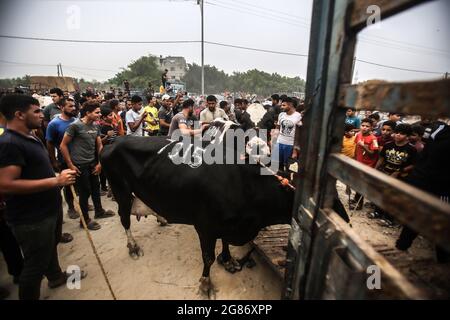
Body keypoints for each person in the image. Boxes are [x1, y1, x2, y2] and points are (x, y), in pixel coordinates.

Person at [0, 94, 85, 300]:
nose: (42, 115)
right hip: (31, 218)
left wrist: (56, 177)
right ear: (19, 114)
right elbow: (5, 184)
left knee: (50, 246)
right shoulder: (9, 143)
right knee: (34, 265)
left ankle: (55, 277)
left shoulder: (30, 135)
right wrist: (56, 182)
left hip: (48, 209)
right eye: (36, 111)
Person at [395, 121, 450, 262]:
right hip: (433, 184)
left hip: (436, 185)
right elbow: (426, 160)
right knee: (435, 221)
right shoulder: (439, 130)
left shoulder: (439, 130)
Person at [60, 101, 115, 231]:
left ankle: (99, 211)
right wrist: (70, 164)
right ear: (87, 113)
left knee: (96, 189)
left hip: (92, 163)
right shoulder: (75, 126)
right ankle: (84, 219)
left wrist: (99, 163)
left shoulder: (95, 126)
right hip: (79, 165)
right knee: (84, 193)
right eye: (97, 112)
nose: (99, 114)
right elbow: (63, 145)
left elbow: (99, 145)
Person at [46, 98, 78, 222]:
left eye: (74, 106)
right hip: (64, 159)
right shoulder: (54, 124)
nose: (73, 108)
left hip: (77, 158)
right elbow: (49, 143)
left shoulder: (76, 121)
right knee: (68, 184)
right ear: (62, 107)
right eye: (70, 106)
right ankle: (70, 207)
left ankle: (79, 204)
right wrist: (54, 161)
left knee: (77, 183)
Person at [351, 118, 379, 210]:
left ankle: (359, 204)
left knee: (361, 183)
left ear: (371, 128)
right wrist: (354, 158)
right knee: (357, 182)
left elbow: (373, 153)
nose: (364, 128)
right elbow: (356, 148)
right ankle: (356, 199)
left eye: (367, 126)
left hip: (368, 165)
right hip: (358, 162)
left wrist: (364, 146)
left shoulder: (373, 139)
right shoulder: (358, 135)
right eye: (363, 125)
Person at [274, 97, 302, 172]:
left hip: (290, 145)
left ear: (290, 105)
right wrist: (273, 140)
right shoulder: (281, 115)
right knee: (278, 165)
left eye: (283, 105)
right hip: (279, 143)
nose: (281, 107)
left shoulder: (298, 116)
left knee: (288, 167)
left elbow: (299, 134)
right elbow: (277, 127)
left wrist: (295, 149)